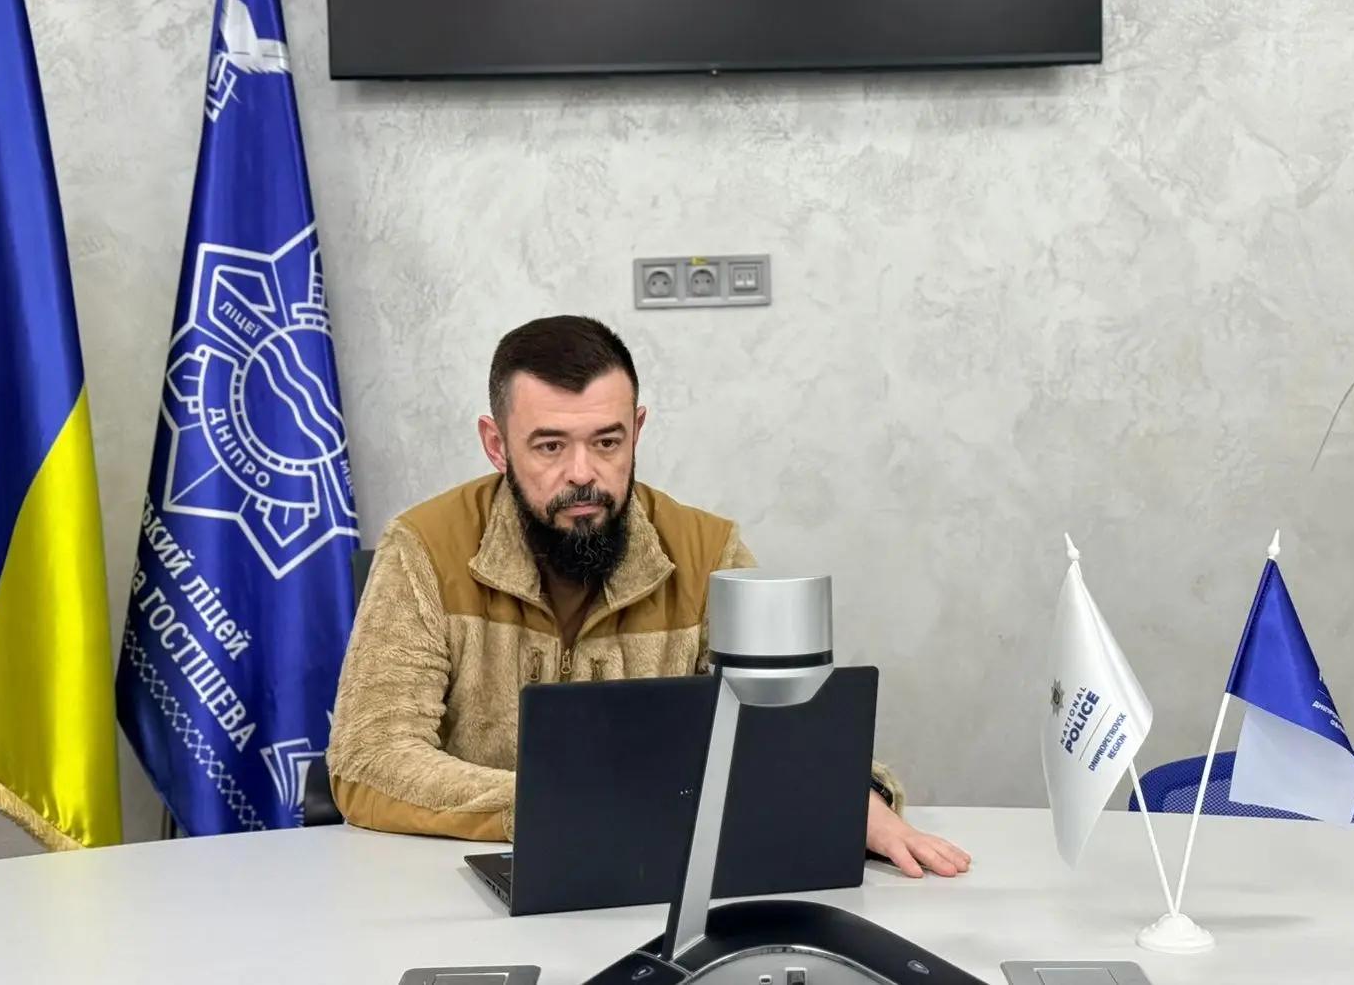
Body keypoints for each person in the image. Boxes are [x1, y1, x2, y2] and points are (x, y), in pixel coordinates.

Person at [326, 316, 970, 879]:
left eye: (607, 442)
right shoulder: (424, 547)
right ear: (497, 445)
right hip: (462, 882)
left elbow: (782, 728)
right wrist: (568, 807)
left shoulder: (708, 552)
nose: (583, 473)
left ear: (636, 430)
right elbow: (369, 760)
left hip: (662, 878)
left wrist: (846, 795)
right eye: (550, 446)